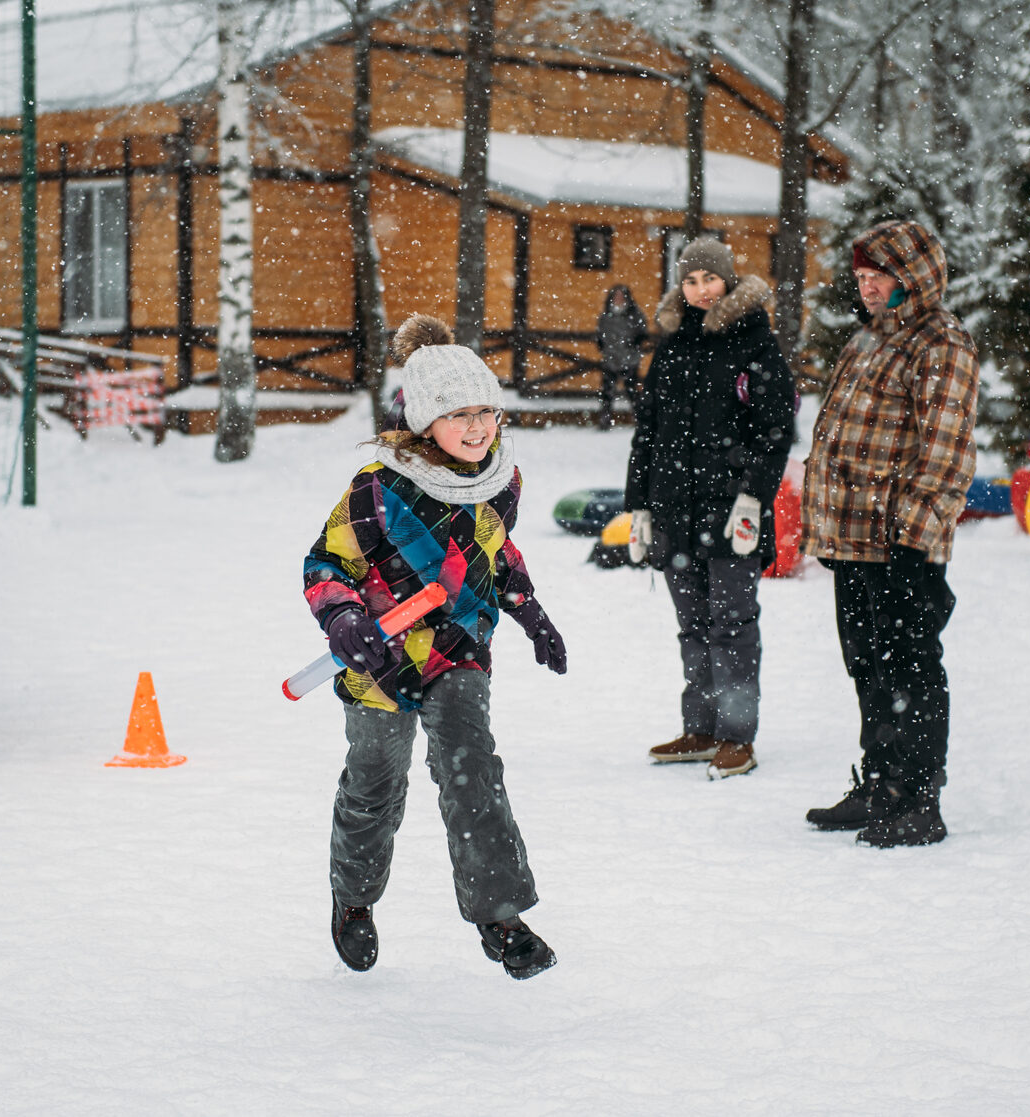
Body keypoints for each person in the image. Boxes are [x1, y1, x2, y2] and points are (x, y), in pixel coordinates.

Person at [305, 313, 565, 980]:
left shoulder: (501, 481)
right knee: (375, 782)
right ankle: (354, 899)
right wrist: (342, 623)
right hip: (379, 660)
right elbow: (326, 565)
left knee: (472, 770)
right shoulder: (380, 487)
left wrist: (528, 607)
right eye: (457, 413)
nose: (477, 426)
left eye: (486, 410)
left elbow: (494, 552)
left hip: (457, 651)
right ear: (423, 421)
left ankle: (500, 917)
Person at [800, 220, 978, 848]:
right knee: (868, 665)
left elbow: (946, 452)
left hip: (902, 543)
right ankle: (881, 783)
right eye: (861, 277)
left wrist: (913, 540)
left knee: (911, 668)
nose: (867, 288)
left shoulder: (942, 344)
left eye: (878, 277)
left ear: (913, 277)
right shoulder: (867, 340)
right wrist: (822, 528)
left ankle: (919, 798)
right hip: (852, 538)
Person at [624, 235, 796, 779]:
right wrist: (641, 506)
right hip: (674, 509)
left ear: (728, 281)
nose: (700, 290)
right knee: (692, 624)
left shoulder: (756, 346)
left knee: (732, 624)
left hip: (730, 511)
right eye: (691, 280)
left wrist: (753, 498)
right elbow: (647, 432)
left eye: (710, 279)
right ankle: (700, 728)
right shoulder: (671, 347)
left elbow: (776, 432)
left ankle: (737, 737)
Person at [595, 284, 648, 430]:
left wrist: (637, 341)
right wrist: (601, 343)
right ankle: (605, 421)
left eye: (621, 296)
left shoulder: (635, 314)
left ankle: (641, 421)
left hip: (629, 359)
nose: (618, 298)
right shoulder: (606, 315)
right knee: (607, 393)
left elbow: (642, 331)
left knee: (632, 393)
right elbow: (600, 331)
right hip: (610, 358)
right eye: (616, 296)